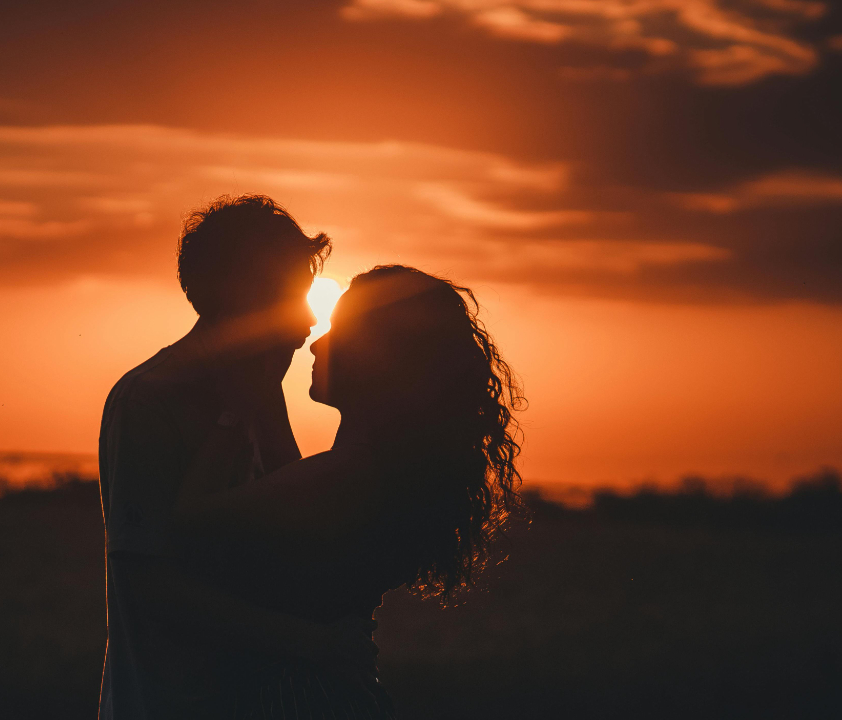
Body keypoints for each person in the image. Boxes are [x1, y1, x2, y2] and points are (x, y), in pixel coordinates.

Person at [172, 264, 527, 717]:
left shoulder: (344, 475)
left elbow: (191, 519)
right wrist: (263, 384)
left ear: (374, 356)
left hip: (298, 700)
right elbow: (289, 476)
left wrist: (231, 415)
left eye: (338, 331)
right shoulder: (373, 470)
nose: (316, 344)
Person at [97, 195, 377, 719]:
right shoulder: (149, 401)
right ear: (238, 294)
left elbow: (296, 533)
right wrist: (316, 644)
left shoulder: (260, 393)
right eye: (289, 295)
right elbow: (150, 587)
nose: (307, 323)